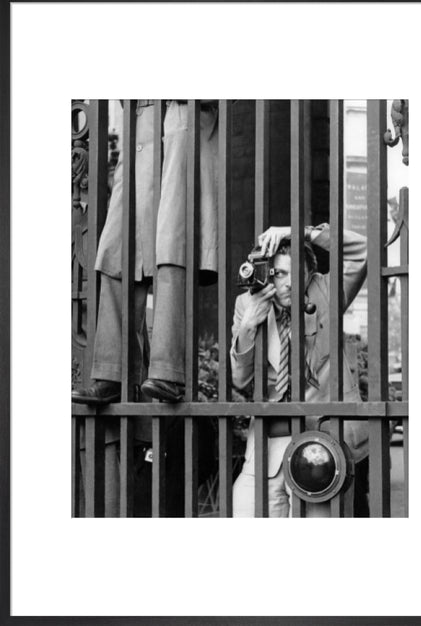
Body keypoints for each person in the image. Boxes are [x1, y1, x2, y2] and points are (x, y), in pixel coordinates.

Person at [72, 99, 219, 516]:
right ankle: (111, 371)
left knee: (171, 244)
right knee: (116, 249)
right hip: (139, 121)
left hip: (182, 112)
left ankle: (167, 373)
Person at [230, 223, 369, 517]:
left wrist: (298, 231)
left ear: (309, 275)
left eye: (296, 273)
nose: (288, 283)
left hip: (324, 443)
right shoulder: (247, 303)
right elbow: (240, 381)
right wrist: (247, 327)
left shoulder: (326, 291)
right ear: (266, 273)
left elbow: (363, 252)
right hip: (267, 446)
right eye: (279, 273)